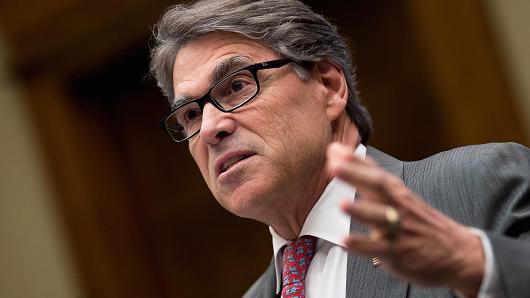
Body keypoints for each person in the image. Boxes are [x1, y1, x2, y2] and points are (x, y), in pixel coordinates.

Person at [149, 0, 530, 297]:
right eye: (192, 114)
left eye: (236, 86)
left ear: (329, 87)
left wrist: (479, 266)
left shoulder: (475, 186)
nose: (211, 127)